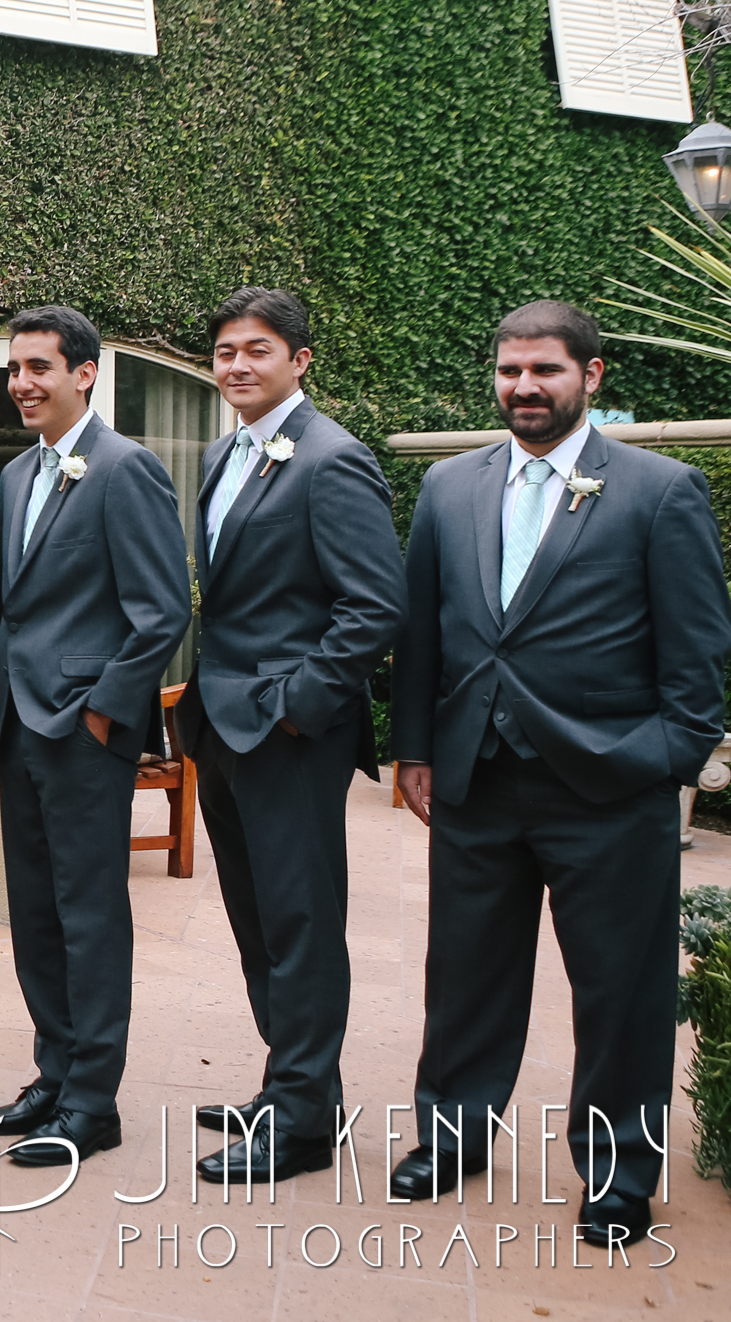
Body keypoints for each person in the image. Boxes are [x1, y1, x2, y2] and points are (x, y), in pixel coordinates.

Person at [390, 300, 731, 1248]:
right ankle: (450, 1134)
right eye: (509, 371)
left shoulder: (660, 491)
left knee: (621, 991)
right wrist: (415, 749)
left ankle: (621, 1171)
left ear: (593, 376)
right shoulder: (451, 486)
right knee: (464, 976)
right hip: (477, 779)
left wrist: (659, 763)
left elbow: (699, 660)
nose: (525, 388)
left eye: (544, 370)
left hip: (610, 791)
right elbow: (423, 632)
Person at [177, 289, 404, 1185]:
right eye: (225, 350)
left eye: (258, 349)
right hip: (224, 723)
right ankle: (293, 1085)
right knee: (258, 921)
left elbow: (374, 605)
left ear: (300, 359)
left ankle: (304, 1122)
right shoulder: (225, 450)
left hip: (287, 731)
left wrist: (297, 704)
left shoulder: (332, 459)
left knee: (302, 924)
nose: (236, 364)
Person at [0, 305, 189, 1166]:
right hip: (20, 729)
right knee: (34, 910)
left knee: (90, 915)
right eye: (15, 370)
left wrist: (102, 711)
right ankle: (52, 1073)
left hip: (81, 732)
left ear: (86, 373)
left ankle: (93, 1099)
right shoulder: (18, 476)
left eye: (40, 368)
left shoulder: (125, 469)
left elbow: (161, 613)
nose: (23, 384)